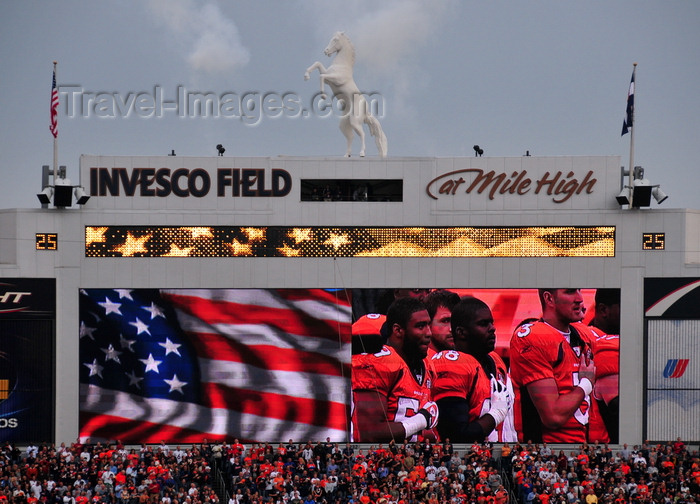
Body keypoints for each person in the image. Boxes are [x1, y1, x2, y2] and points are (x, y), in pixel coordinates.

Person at [509, 288, 598, 443]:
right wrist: (586, 384)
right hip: (547, 450)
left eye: (579, 290)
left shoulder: (583, 335)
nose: (579, 298)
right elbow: (553, 417)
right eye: (570, 291)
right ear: (549, 298)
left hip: (583, 445)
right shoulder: (534, 337)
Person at [351, 297, 439, 442]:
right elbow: (368, 433)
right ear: (398, 330)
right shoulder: (379, 362)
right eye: (421, 326)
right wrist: (422, 420)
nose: (429, 332)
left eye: (429, 325)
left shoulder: (427, 363)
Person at [430, 296, 513, 442]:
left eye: (491, 323)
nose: (492, 328)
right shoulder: (452, 363)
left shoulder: (496, 360)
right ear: (461, 332)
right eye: (483, 324)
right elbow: (455, 436)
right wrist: (496, 414)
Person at [588, 288, 620, 443]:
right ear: (603, 310)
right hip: (603, 444)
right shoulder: (606, 346)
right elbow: (619, 410)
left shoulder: (582, 336)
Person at [423, 289, 461, 356]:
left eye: (456, 320)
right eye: (445, 321)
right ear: (428, 324)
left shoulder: (468, 359)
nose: (452, 328)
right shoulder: (415, 362)